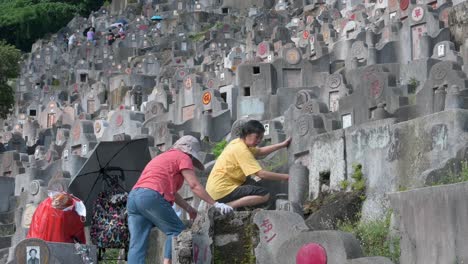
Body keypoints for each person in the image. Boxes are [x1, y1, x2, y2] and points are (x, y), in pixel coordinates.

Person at [127, 135, 233, 264]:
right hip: (150, 196)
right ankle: (168, 262)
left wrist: (189, 209)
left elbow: (172, 192)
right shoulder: (183, 157)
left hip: (133, 198)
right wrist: (216, 204)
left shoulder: (163, 157)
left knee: (137, 245)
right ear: (190, 152)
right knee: (177, 231)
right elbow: (194, 185)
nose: (191, 162)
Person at [206, 120, 291, 209]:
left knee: (253, 184)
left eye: (261, 138)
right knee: (264, 194)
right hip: (222, 191)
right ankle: (227, 206)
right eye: (257, 137)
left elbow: (260, 151)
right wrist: (286, 177)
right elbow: (261, 174)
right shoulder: (242, 150)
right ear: (247, 133)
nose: (259, 141)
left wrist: (282, 145)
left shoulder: (238, 142)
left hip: (215, 190)